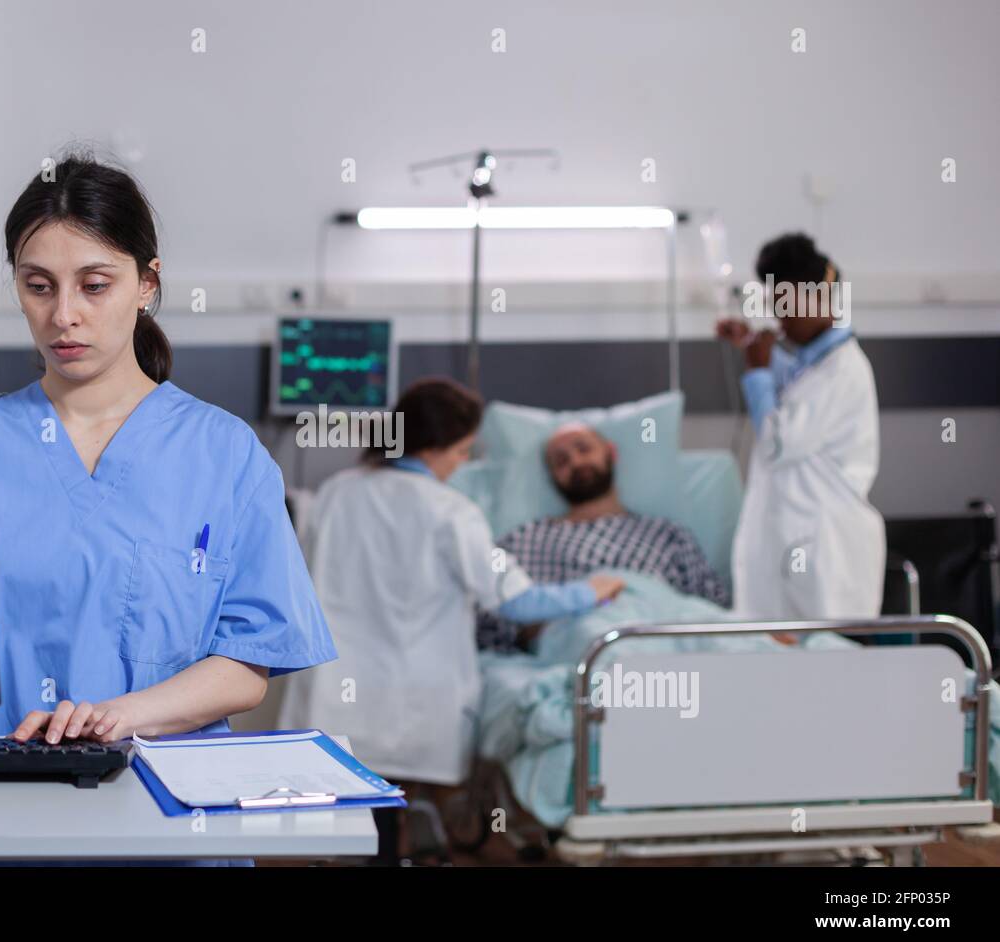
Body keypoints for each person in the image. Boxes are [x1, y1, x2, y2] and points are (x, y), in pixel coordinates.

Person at [0, 153, 336, 758]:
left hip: (164, 804)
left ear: (147, 283)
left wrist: (119, 717)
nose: (63, 315)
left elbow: (248, 664)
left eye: (94, 285)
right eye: (38, 286)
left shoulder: (225, 455)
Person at [278, 378, 624, 788]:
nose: (461, 463)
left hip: (331, 700)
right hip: (413, 708)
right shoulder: (452, 511)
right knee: (399, 808)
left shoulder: (336, 492)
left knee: (340, 815)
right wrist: (591, 590)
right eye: (462, 451)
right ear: (432, 449)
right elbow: (517, 602)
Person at [715, 233, 884, 620]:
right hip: (800, 539)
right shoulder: (813, 364)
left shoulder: (841, 370)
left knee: (825, 665)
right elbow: (792, 388)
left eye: (786, 308)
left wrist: (756, 372)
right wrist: (748, 345)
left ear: (818, 297)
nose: (781, 321)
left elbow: (778, 442)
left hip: (823, 546)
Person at [478, 421, 729, 652]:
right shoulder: (521, 542)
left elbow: (711, 608)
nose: (575, 462)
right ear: (552, 477)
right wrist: (544, 622)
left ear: (611, 452)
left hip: (665, 632)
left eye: (584, 449)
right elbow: (491, 622)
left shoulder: (668, 534)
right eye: (561, 461)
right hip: (583, 636)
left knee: (752, 646)